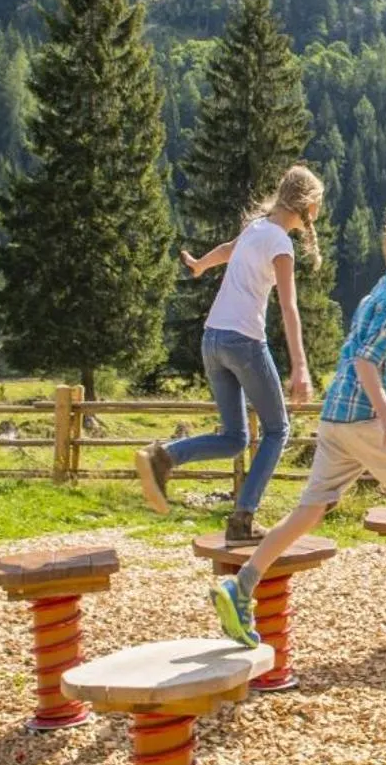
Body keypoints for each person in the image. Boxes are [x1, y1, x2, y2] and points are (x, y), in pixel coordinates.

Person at [211, 201, 386, 645]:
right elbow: (366, 362)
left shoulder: (378, 292)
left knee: (308, 511)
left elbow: (379, 363)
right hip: (363, 418)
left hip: (335, 418)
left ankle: (241, 585)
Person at [136, 165, 320, 544]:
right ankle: (243, 518)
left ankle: (164, 457)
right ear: (307, 205)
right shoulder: (281, 244)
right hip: (243, 342)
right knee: (277, 430)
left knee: (236, 437)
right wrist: (300, 366)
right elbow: (289, 308)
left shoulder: (255, 229)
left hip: (212, 340)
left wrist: (202, 264)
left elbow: (226, 251)